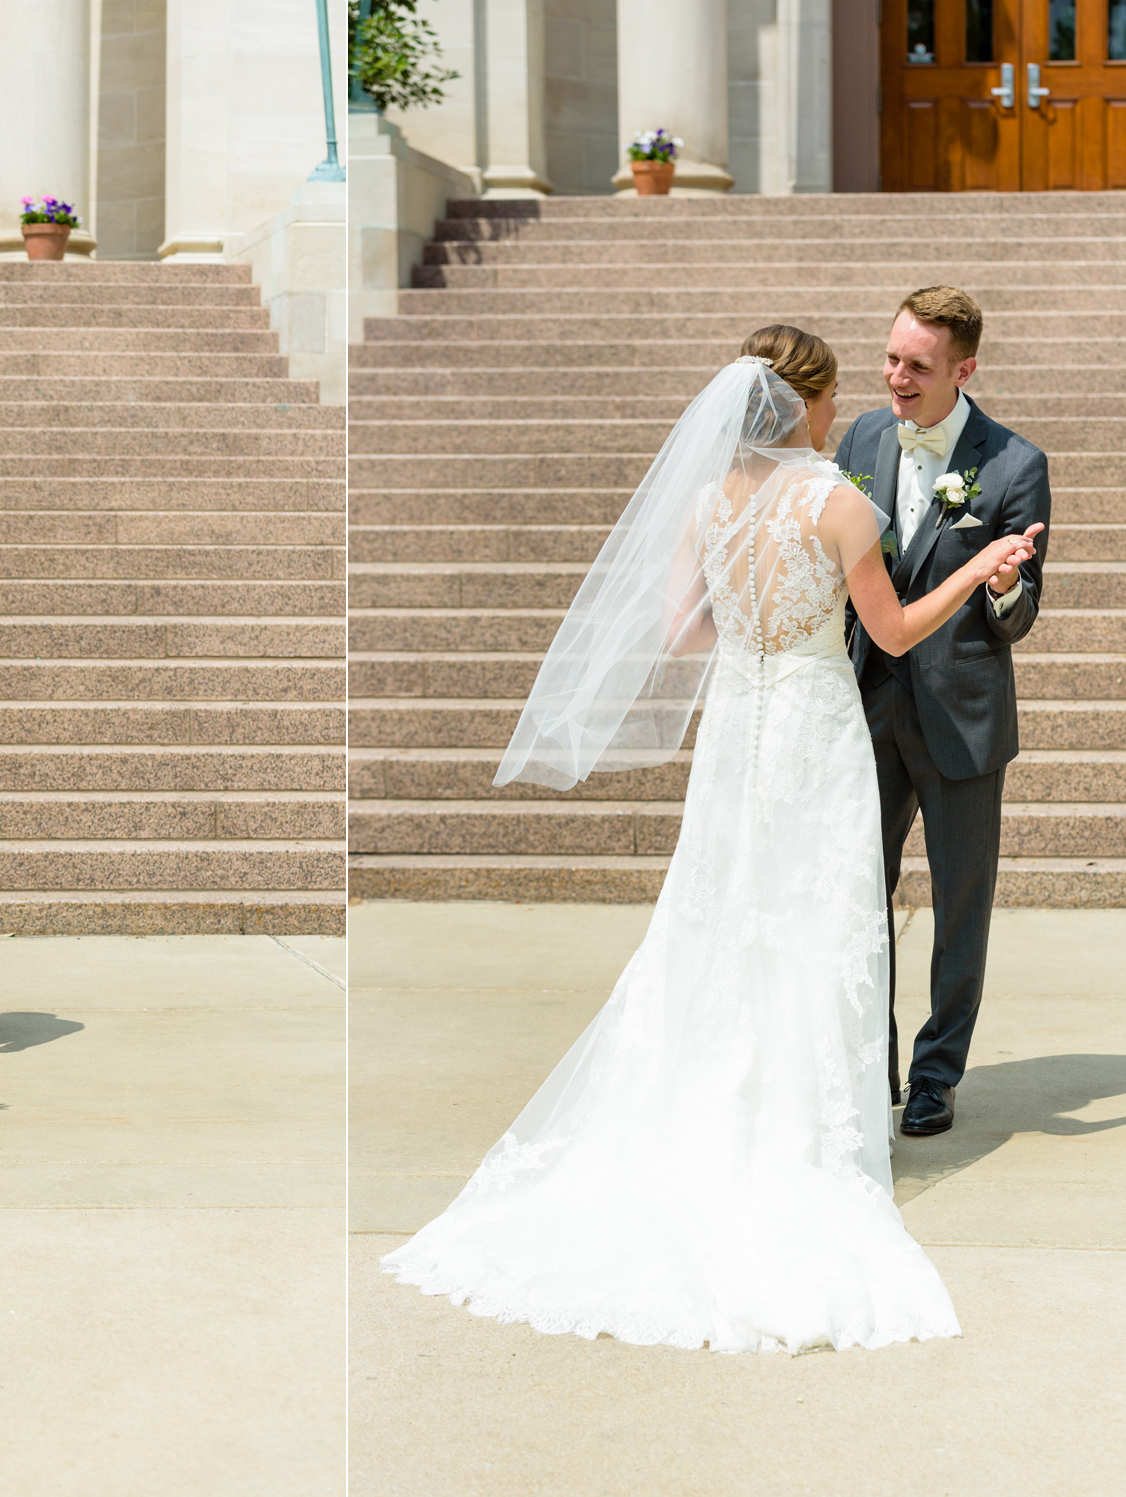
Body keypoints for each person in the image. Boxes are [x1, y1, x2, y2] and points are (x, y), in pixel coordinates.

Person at [381, 334, 1040, 1353]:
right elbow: (898, 630)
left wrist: (758, 629)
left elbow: (683, 633)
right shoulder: (835, 503)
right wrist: (984, 567)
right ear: (808, 403)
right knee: (810, 914)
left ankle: (703, 1103)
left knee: (723, 908)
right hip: (815, 727)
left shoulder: (705, 503)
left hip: (737, 726)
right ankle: (799, 1121)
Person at [835, 287, 1052, 1138]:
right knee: (858, 898)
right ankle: (869, 1063)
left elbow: (1025, 608)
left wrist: (1002, 588)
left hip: (963, 717)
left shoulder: (1014, 463)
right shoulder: (857, 437)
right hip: (863, 707)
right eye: (890, 357)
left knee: (963, 905)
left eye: (916, 366)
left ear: (964, 369)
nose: (895, 376)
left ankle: (936, 1076)